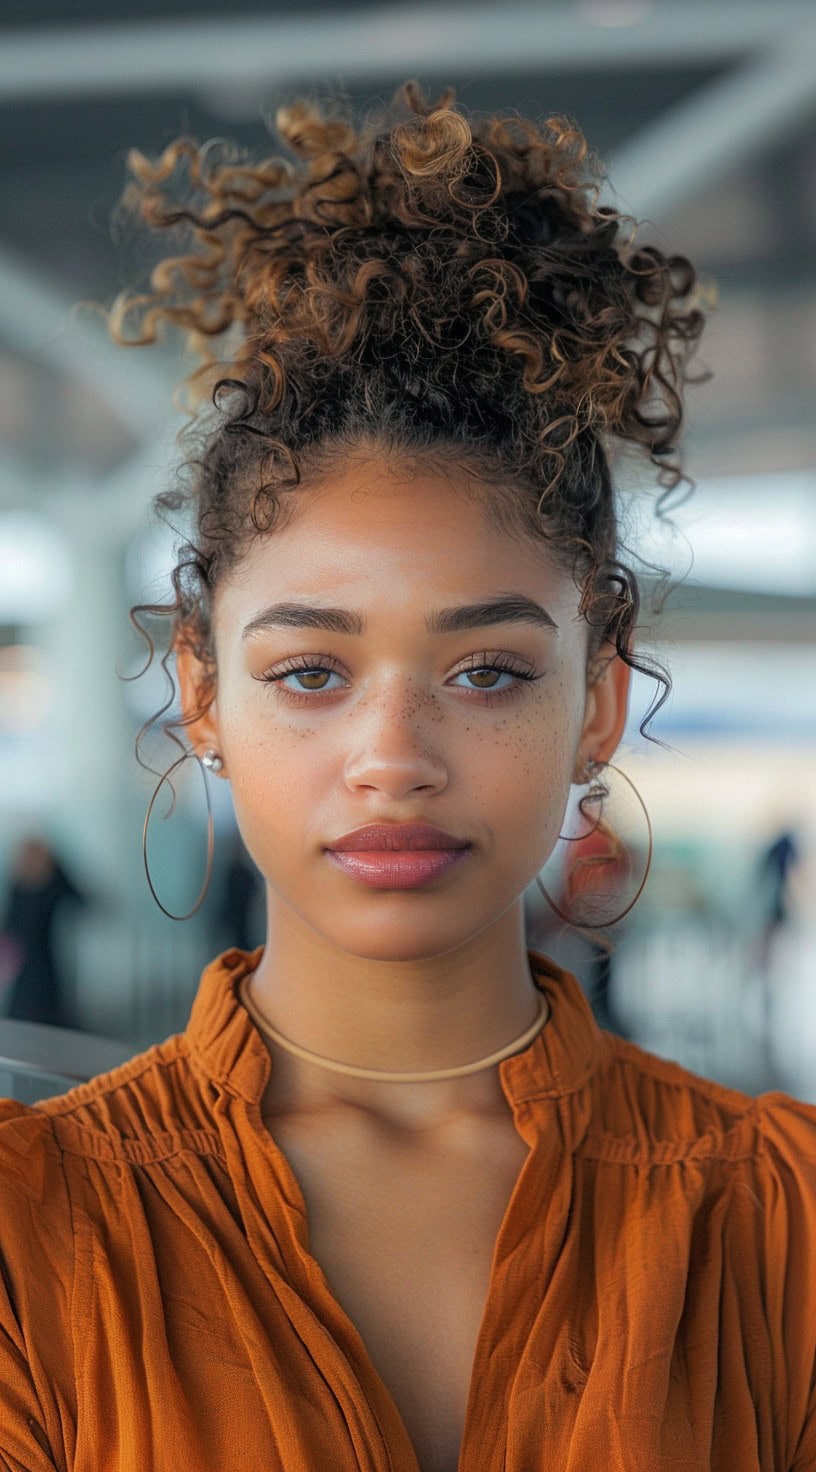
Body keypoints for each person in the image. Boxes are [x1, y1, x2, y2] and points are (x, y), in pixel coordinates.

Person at [1, 81, 814, 1472]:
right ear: (202, 694)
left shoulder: (779, 1219)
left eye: (488, 671)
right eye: (310, 673)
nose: (393, 759)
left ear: (598, 699)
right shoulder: (33, 1226)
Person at [0, 837, 87, 1027]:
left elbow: (81, 900)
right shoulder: (21, 883)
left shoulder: (51, 881)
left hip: (43, 967)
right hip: (28, 969)